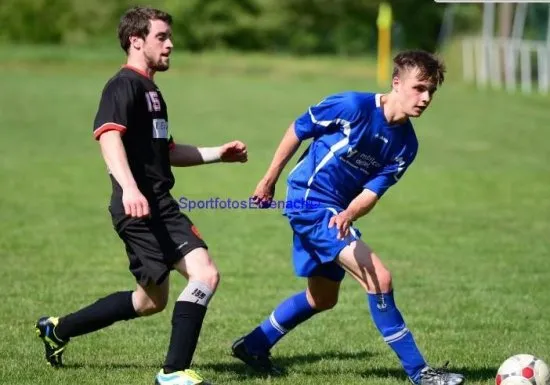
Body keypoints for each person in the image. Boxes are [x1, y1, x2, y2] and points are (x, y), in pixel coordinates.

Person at [35, 7, 247, 385]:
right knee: (203, 276)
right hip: (138, 208)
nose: (170, 45)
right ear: (137, 41)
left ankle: (57, 329)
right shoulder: (123, 85)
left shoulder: (151, 90)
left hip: (161, 204)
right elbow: (108, 135)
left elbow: (165, 152)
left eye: (169, 37)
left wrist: (218, 154)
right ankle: (173, 372)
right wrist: (130, 189)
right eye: (161, 37)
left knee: (151, 301)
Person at [231, 50, 465, 385]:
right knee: (379, 278)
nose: (426, 98)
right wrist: (268, 179)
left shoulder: (407, 145)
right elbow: (298, 128)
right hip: (309, 202)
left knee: (322, 298)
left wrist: (350, 213)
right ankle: (420, 373)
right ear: (397, 83)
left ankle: (253, 345)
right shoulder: (353, 107)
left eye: (432, 91)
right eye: (420, 88)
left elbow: (372, 193)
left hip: (338, 211)